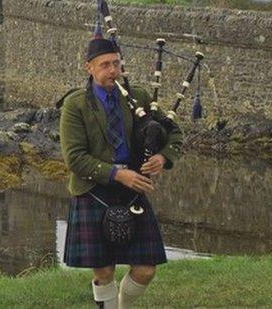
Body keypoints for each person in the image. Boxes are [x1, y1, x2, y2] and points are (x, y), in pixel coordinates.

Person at [59, 37, 182, 308]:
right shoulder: (76, 105)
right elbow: (75, 159)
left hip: (132, 191)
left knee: (146, 269)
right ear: (89, 67)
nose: (112, 70)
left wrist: (163, 157)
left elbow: (173, 132)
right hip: (93, 190)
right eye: (105, 65)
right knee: (104, 271)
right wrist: (118, 174)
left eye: (116, 64)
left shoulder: (137, 96)